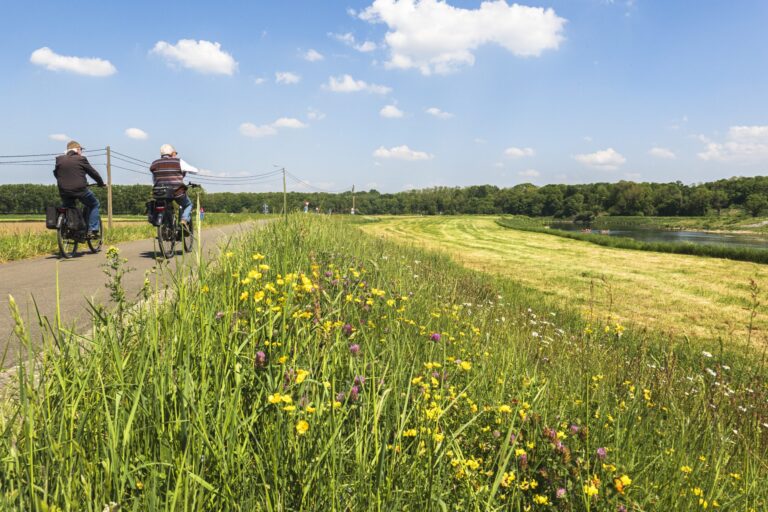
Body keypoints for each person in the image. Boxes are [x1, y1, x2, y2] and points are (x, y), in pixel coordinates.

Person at [53, 140, 105, 236]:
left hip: (64, 191)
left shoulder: (59, 159)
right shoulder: (81, 159)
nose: (81, 152)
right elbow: (93, 173)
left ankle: (74, 231)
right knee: (94, 204)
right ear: (77, 149)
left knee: (70, 207)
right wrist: (101, 183)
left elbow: (56, 173)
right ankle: (93, 230)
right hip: (80, 190)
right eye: (81, 149)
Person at [149, 144, 199, 227]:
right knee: (188, 205)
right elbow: (195, 171)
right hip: (176, 192)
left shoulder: (155, 163)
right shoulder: (178, 162)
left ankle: (167, 225)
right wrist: (185, 171)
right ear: (172, 153)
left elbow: (154, 179)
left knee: (164, 204)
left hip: (159, 193)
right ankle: (184, 220)